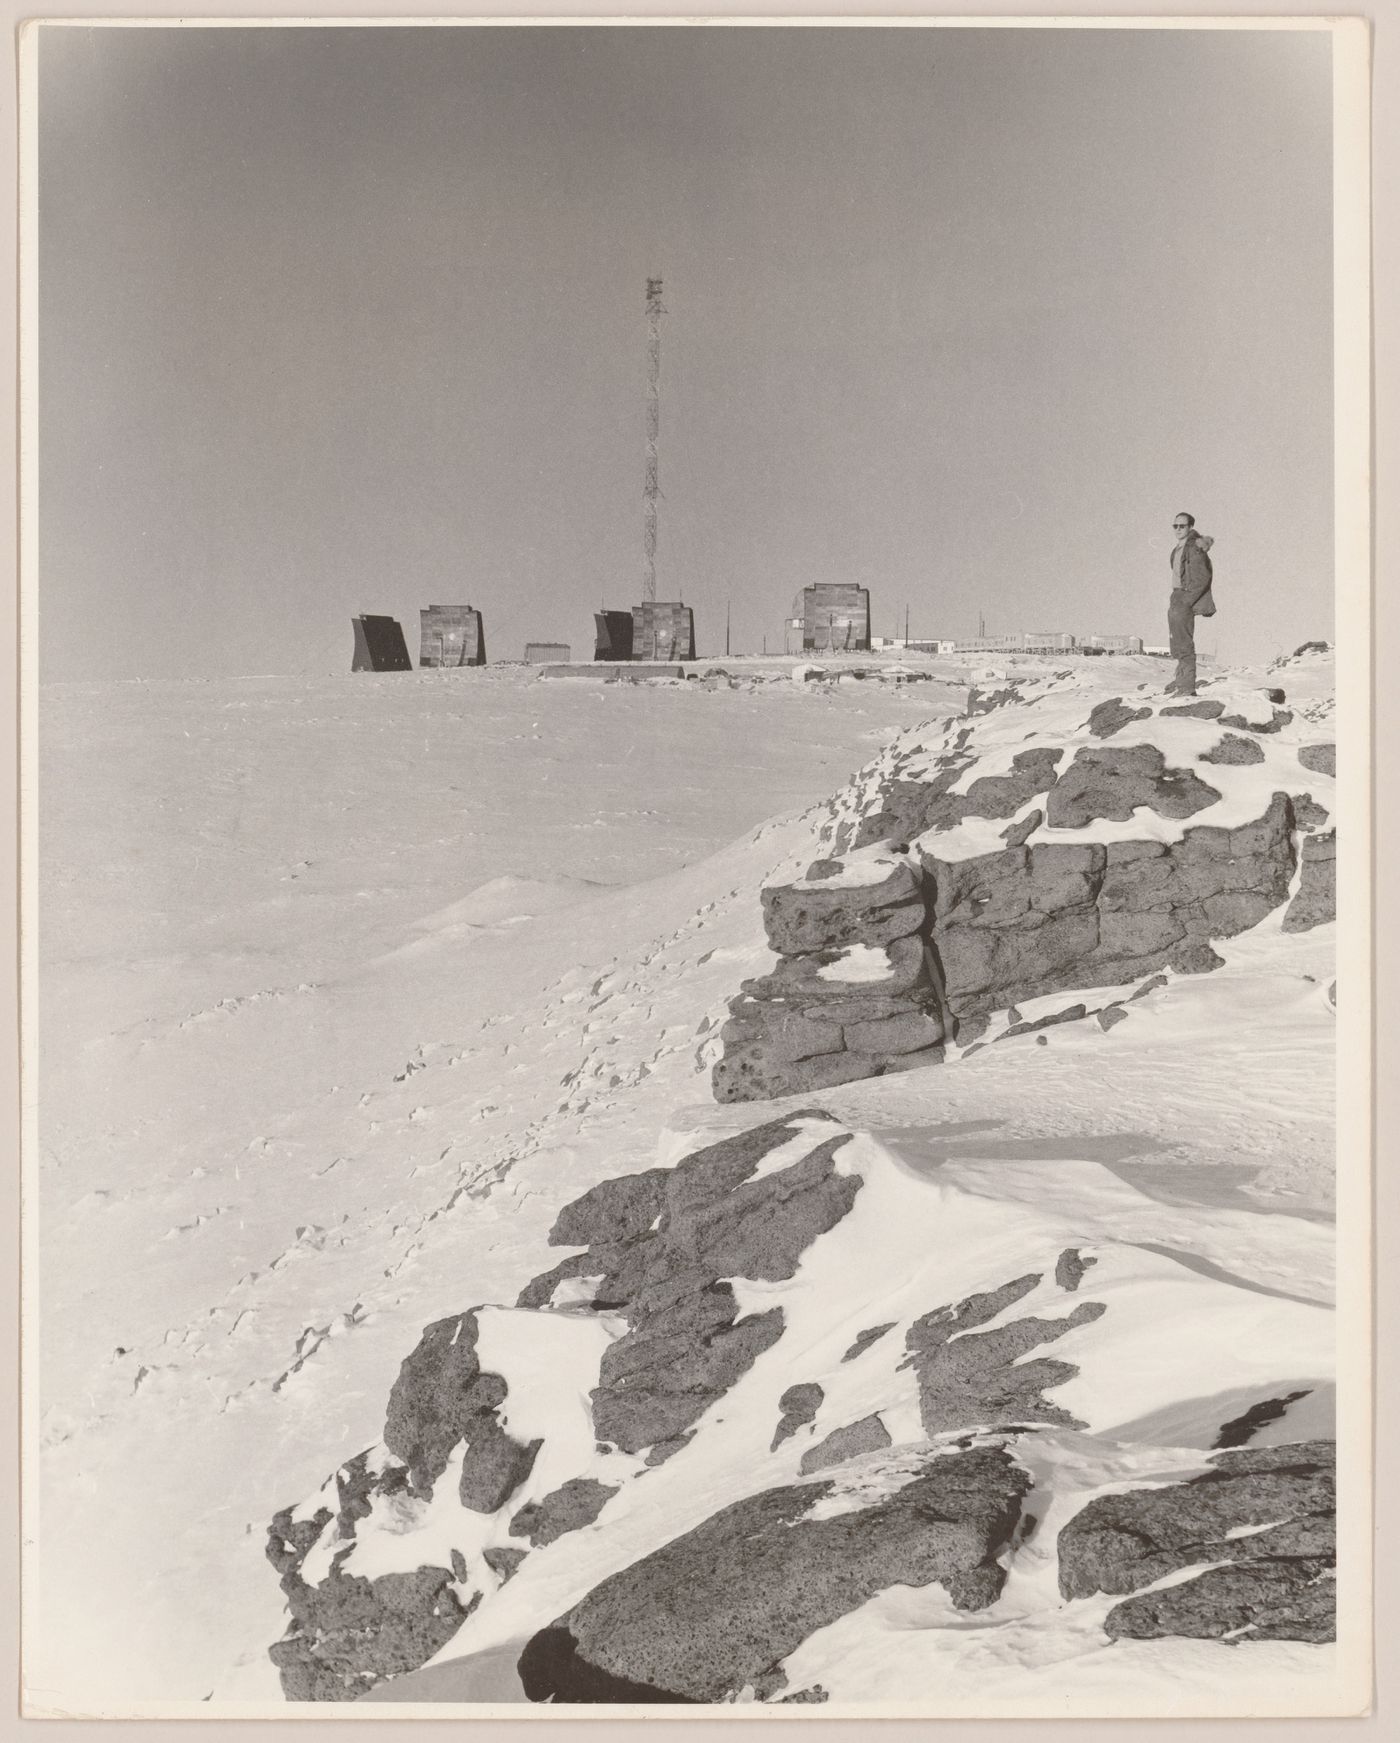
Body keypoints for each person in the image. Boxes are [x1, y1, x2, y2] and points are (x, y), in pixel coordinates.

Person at [1166, 512, 1216, 696]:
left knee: (1184, 645)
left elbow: (1203, 577)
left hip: (1184, 598)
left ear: (1190, 527)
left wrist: (1186, 600)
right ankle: (1181, 685)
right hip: (1177, 597)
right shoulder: (1178, 549)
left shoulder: (1194, 548)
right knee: (1177, 644)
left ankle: (1186, 688)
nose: (1178, 529)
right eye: (1175, 526)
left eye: (1182, 526)